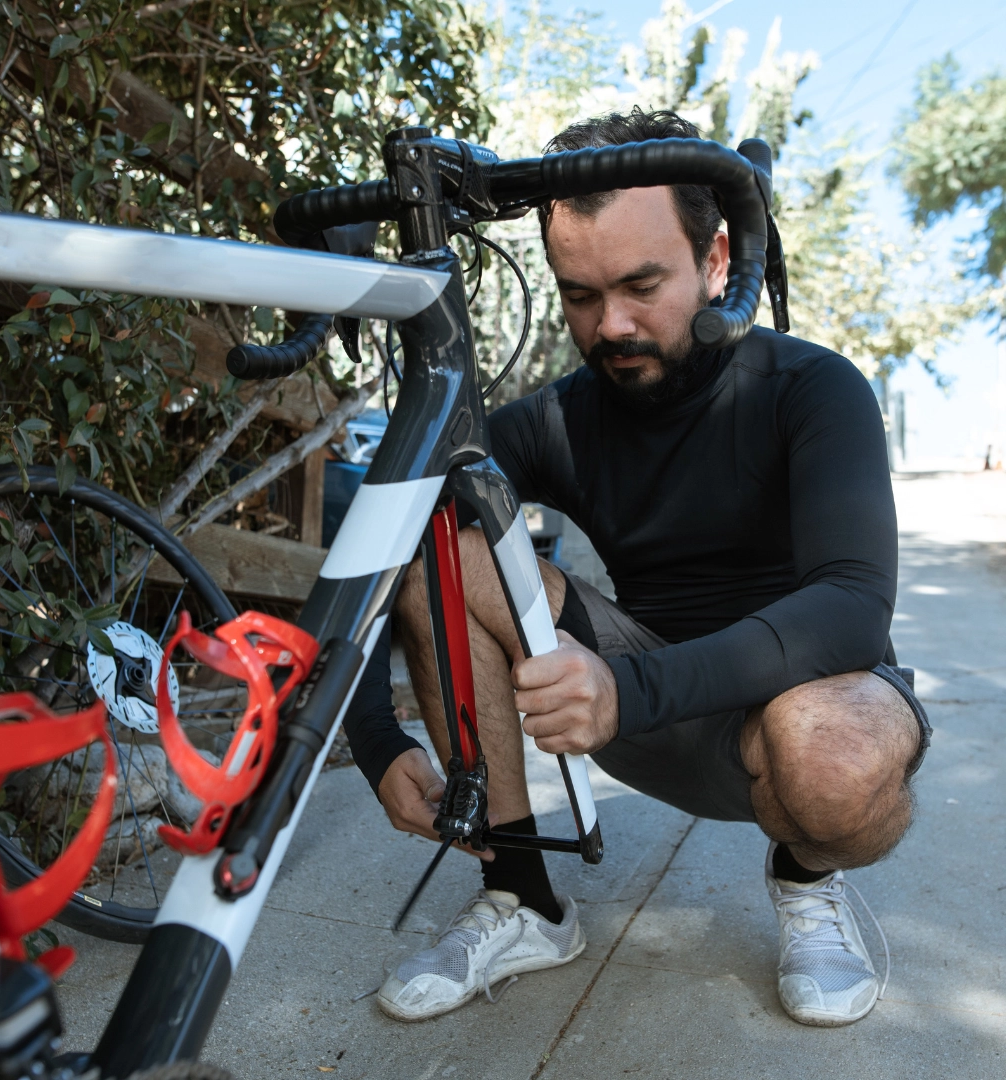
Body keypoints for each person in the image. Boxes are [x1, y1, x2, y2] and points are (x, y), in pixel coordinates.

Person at [343, 107, 931, 1028]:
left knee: (835, 758)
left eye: (640, 284)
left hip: (798, 704)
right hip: (648, 705)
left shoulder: (815, 389)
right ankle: (523, 897)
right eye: (579, 294)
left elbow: (853, 606)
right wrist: (374, 738)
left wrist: (631, 691)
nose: (610, 324)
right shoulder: (560, 417)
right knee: (449, 536)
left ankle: (808, 877)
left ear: (719, 260)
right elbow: (392, 534)